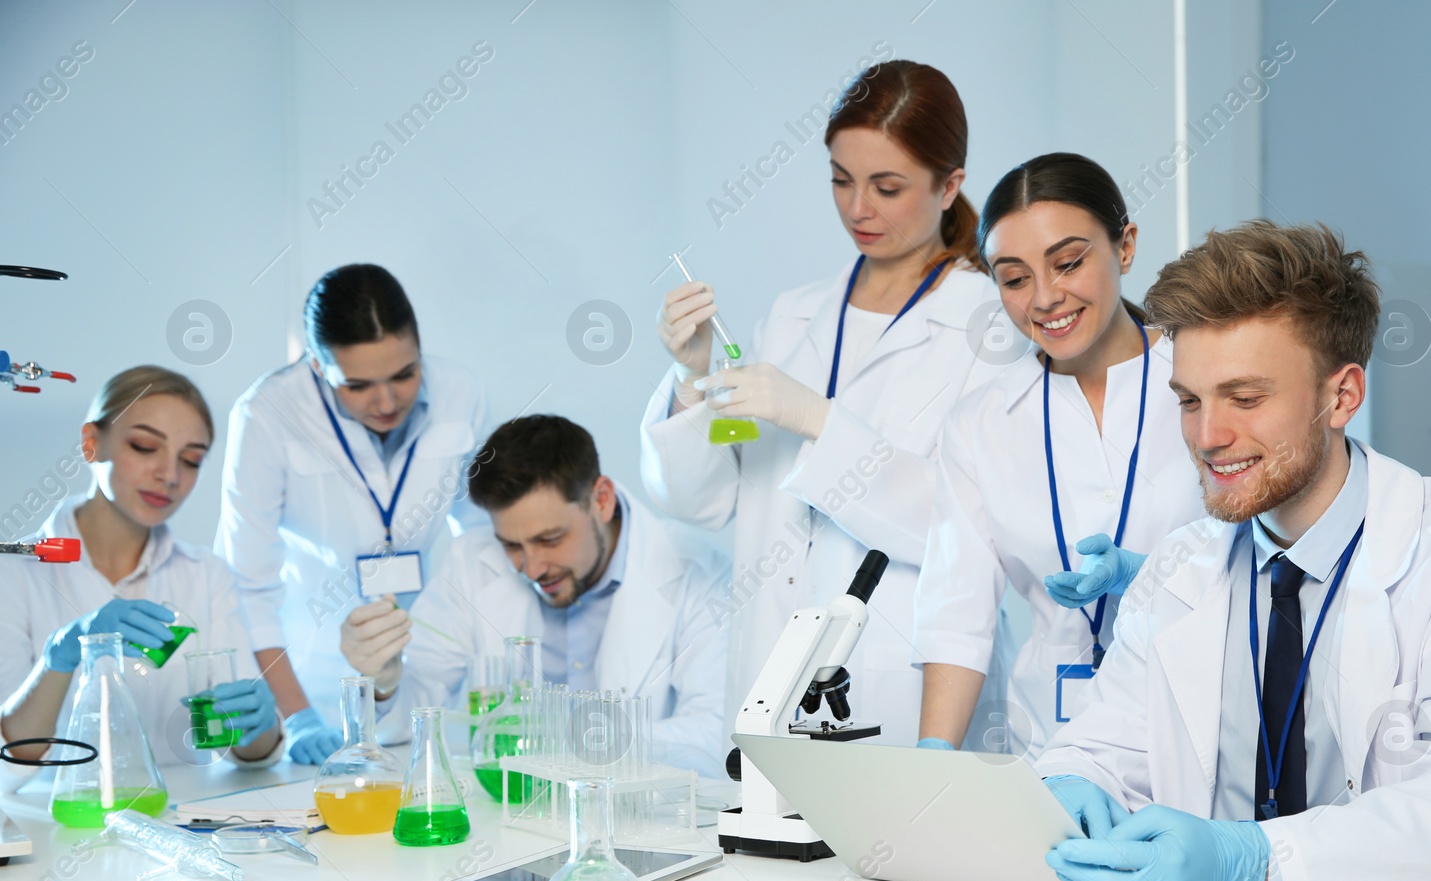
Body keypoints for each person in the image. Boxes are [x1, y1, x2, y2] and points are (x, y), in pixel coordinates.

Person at [1036, 220, 1431, 881]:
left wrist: (1249, 856)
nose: (1207, 436)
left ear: (1341, 396)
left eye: (1245, 398)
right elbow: (1101, 746)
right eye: (1190, 400)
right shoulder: (1179, 565)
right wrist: (1069, 782)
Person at [641, 60, 1001, 746]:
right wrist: (692, 379)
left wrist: (818, 420)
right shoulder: (794, 315)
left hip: (896, 674)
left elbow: (969, 525)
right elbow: (711, 501)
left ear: (949, 185)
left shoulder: (988, 327)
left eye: (886, 187)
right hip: (769, 665)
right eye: (840, 180)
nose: (858, 208)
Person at [913, 154, 1206, 758]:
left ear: (1124, 246)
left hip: (1205, 728)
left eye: (1068, 263)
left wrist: (1149, 574)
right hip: (1051, 742)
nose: (1045, 299)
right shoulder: (981, 425)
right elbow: (957, 612)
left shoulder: (1209, 382)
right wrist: (933, 755)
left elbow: (1276, 562)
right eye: (1014, 279)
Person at [339, 415, 728, 780]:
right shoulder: (471, 563)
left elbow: (715, 735)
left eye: (550, 539)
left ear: (602, 500)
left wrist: (572, 746)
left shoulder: (696, 571)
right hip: (508, 811)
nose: (532, 567)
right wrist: (385, 681)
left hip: (638, 816)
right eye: (511, 544)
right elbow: (409, 720)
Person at [215, 264, 489, 764]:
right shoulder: (267, 412)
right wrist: (296, 716)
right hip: (309, 678)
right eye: (358, 385)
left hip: (423, 675)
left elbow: (481, 537)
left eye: (405, 374)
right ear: (318, 367)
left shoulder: (461, 391)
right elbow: (246, 585)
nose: (387, 401)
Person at [1, 367, 281, 787]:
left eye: (191, 460)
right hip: (54, 827)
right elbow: (12, 754)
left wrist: (261, 725)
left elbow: (246, 751)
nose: (169, 476)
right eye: (146, 446)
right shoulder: (14, 570)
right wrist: (57, 657)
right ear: (91, 443)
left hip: (180, 820)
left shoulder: (206, 575)